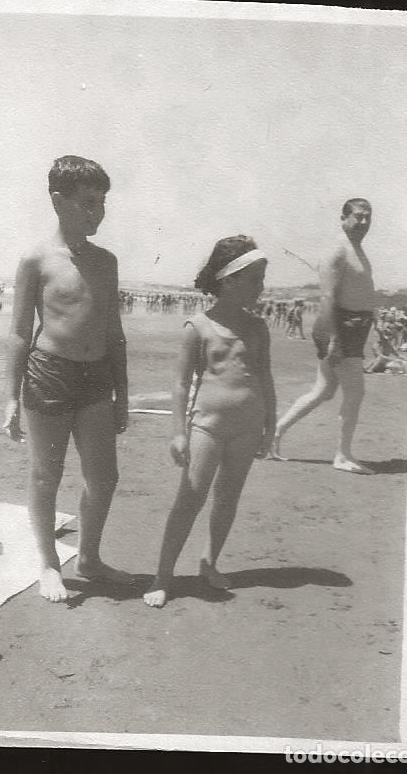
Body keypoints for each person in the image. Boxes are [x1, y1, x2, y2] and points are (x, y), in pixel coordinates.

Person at [3, 155, 131, 602]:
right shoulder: (36, 259)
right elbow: (19, 333)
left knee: (104, 478)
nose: (97, 212)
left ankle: (90, 558)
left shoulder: (106, 261)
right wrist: (9, 398)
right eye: (88, 202)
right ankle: (48, 565)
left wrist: (123, 394)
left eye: (102, 203)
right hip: (49, 374)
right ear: (59, 201)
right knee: (46, 476)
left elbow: (115, 333)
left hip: (97, 378)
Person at [144, 236, 277, 608]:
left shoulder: (258, 328)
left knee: (227, 498)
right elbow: (181, 384)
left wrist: (271, 425)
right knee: (190, 499)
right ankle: (162, 575)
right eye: (255, 279)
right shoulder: (198, 326)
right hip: (207, 426)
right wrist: (177, 434)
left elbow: (265, 378)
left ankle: (209, 562)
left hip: (248, 426)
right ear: (229, 280)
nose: (262, 287)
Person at [270, 198, 375, 474]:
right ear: (343, 218)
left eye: (368, 217)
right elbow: (328, 297)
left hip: (354, 328)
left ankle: (274, 433)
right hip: (341, 328)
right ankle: (342, 455)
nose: (364, 222)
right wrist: (334, 338)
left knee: (323, 391)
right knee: (355, 393)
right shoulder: (337, 250)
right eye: (358, 216)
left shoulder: (355, 248)